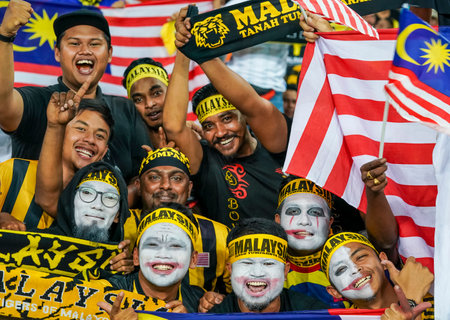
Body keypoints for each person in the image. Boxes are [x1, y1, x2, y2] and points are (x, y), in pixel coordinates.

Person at [0, 2, 149, 181]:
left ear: (109, 53)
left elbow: (141, 177)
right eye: (74, 43)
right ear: (57, 53)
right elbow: (3, 105)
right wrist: (5, 36)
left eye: (94, 44)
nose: (84, 50)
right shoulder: (38, 101)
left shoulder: (126, 109)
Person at [165, 15, 291, 227]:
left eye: (227, 118)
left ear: (244, 116)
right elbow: (173, 126)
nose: (221, 132)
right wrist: (183, 49)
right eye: (209, 126)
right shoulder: (205, 160)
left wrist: (200, 50)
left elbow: (252, 103)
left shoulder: (274, 142)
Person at [0, 95, 113, 230]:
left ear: (104, 152)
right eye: (81, 129)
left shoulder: (99, 200)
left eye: (100, 136)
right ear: (61, 130)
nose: (90, 139)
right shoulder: (13, 171)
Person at [134, 147, 231, 293]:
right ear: (139, 186)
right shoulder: (120, 226)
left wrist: (217, 302)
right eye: (154, 177)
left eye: (177, 178)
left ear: (189, 188)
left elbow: (240, 297)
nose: (166, 185)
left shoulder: (220, 236)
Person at [98, 202, 205, 317]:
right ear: (136, 256)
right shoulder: (101, 292)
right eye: (153, 244)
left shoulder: (200, 302)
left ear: (193, 259)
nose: (163, 254)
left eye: (175, 246)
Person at [208, 217, 328, 313]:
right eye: (247, 263)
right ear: (230, 269)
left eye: (268, 263)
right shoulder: (216, 317)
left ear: (285, 271)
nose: (257, 272)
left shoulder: (313, 314)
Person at [275, 177, 348, 308]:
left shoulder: (353, 266)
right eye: (293, 211)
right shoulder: (264, 270)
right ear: (278, 220)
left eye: (315, 212)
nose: (304, 221)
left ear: (329, 223)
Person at [320, 232, 433, 314]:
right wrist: (411, 300)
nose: (355, 269)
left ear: (383, 261)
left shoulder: (437, 296)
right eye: (341, 269)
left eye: (360, 257)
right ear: (334, 292)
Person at [122, 58, 169, 149]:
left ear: (170, 90)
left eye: (156, 93)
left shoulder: (192, 136)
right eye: (139, 99)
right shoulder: (127, 148)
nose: (149, 104)